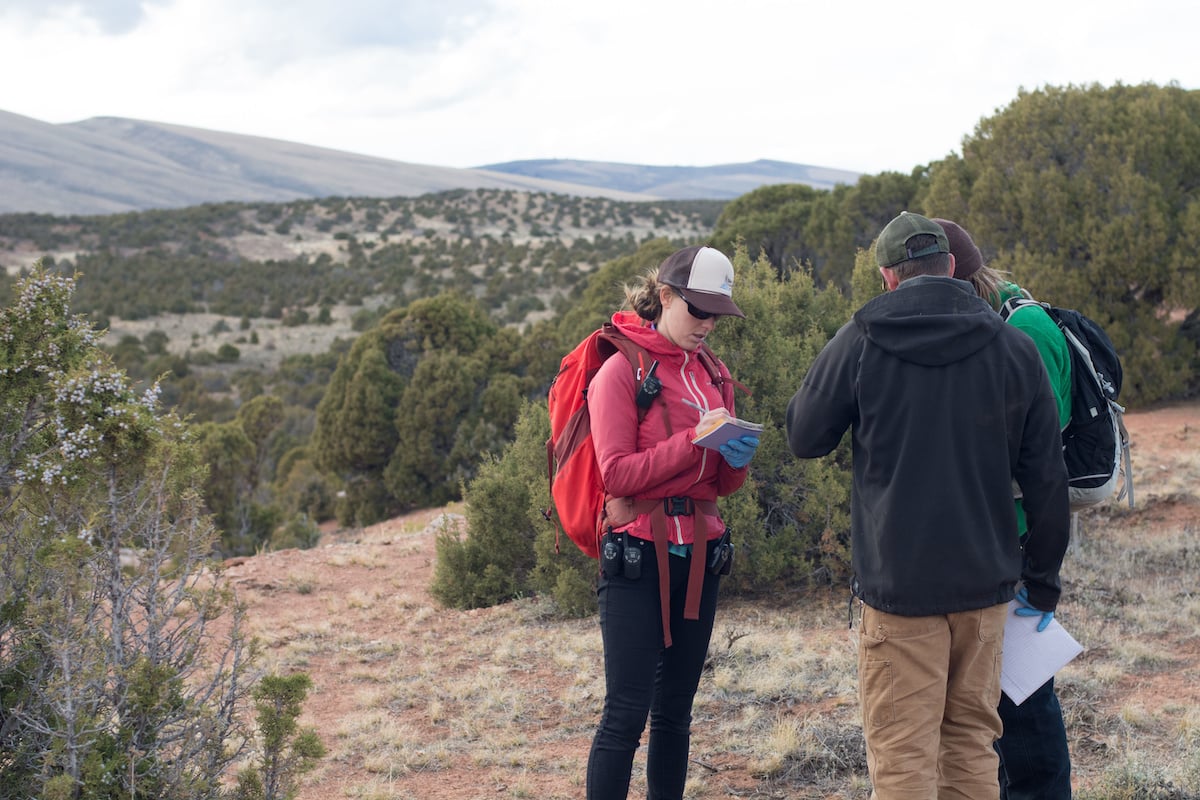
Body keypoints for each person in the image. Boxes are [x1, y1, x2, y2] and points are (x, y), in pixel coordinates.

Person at [784, 211, 1071, 800]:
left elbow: (805, 436)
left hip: (900, 592)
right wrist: (1041, 584)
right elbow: (1047, 480)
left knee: (902, 758)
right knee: (971, 746)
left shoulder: (861, 338)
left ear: (888, 276)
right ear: (954, 269)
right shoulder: (1014, 349)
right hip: (987, 592)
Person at [584, 244, 760, 800]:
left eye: (716, 314)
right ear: (665, 297)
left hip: (701, 555)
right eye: (698, 310)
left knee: (676, 713)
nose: (707, 325)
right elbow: (615, 475)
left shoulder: (712, 374)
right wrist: (694, 442)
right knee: (625, 715)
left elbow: (719, 488)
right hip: (637, 557)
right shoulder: (619, 371)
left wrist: (735, 457)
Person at [934, 217, 1074, 800]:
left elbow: (1043, 448)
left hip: (1016, 538)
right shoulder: (989, 323)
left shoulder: (1027, 330)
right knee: (989, 692)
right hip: (987, 537)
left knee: (1022, 692)